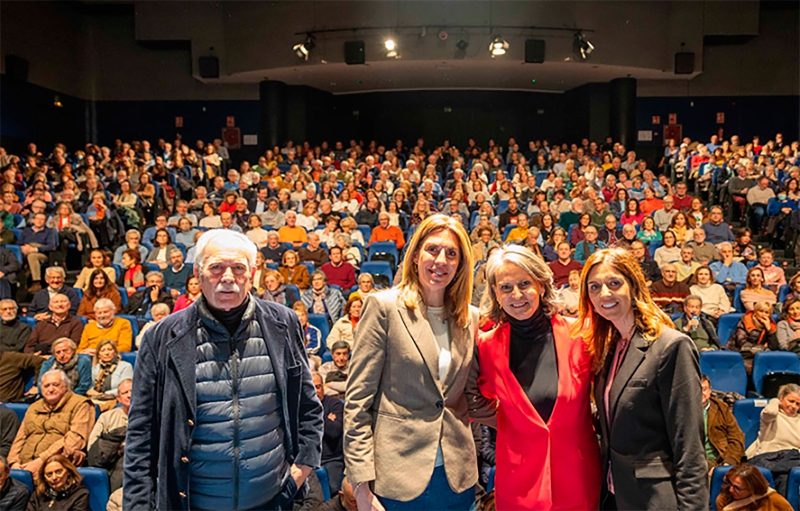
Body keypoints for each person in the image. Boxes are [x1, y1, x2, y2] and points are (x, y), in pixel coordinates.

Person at [124, 229, 323, 511]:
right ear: (198, 273)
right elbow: (140, 436)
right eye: (216, 267)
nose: (228, 277)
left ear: (252, 273)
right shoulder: (161, 337)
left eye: (238, 268)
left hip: (272, 501)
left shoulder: (284, 323)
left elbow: (308, 407)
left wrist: (301, 470)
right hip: (193, 505)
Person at [345, 214, 496, 510]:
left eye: (452, 254)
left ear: (461, 264)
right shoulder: (383, 308)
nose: (441, 260)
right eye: (432, 249)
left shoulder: (471, 317)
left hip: (456, 477)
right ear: (415, 255)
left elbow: (470, 398)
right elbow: (357, 402)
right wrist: (360, 486)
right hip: (397, 477)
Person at [572, 247, 707, 510]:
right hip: (614, 494)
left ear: (634, 287)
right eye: (595, 287)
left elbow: (688, 445)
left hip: (654, 498)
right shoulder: (609, 348)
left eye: (614, 283)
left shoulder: (671, 346)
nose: (605, 294)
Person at [475, 245, 601, 509]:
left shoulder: (581, 335)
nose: (517, 295)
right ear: (495, 294)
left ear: (542, 286)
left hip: (577, 479)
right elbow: (470, 400)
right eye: (506, 287)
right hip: (518, 485)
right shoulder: (485, 346)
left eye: (525, 283)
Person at [9, 370, 95, 477]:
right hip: (23, 465)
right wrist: (14, 463)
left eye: (55, 385)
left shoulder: (81, 404)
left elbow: (75, 439)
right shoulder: (34, 407)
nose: (50, 389)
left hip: (55, 466)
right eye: (46, 386)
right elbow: (20, 438)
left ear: (66, 386)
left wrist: (41, 460)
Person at [87, 379, 131, 492]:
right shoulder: (106, 417)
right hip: (110, 463)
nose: (129, 395)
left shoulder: (152, 416)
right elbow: (92, 446)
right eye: (125, 393)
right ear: (118, 398)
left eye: (133, 391)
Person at [701, 375, 745, 474]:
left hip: (720, 459)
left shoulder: (722, 408)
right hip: (694, 462)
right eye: (697, 389)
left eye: (704, 389)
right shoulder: (682, 411)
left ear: (710, 390)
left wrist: (727, 464)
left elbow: (736, 438)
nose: (701, 393)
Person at [313, 372, 345, 495]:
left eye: (318, 387)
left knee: (332, 490)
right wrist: (326, 417)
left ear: (323, 387)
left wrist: (317, 412)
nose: (316, 391)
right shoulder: (301, 407)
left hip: (332, 458)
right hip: (310, 459)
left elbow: (334, 432)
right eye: (312, 387)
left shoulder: (335, 404)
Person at [716, 463, 792, 511]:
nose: (731, 490)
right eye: (729, 483)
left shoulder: (774, 500)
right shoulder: (724, 499)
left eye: (737, 488)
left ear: (752, 488)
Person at [729, 301, 778, 374]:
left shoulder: (770, 325)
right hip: (741, 354)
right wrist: (763, 348)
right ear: (755, 311)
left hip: (759, 356)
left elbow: (774, 347)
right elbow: (742, 343)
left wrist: (768, 329)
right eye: (761, 311)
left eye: (766, 312)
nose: (763, 314)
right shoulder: (745, 322)